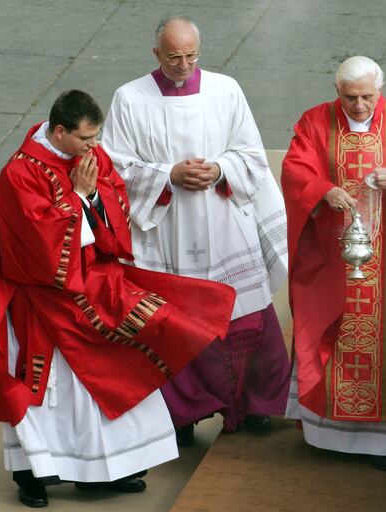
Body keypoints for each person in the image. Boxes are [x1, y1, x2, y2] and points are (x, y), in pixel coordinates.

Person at [0, 89, 236, 508]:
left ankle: (99, 472)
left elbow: (116, 201)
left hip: (96, 282)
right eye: (86, 138)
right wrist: (80, 197)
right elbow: (34, 244)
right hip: (44, 298)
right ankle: (34, 474)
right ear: (60, 131)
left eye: (97, 137)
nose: (95, 147)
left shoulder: (90, 157)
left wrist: (94, 196)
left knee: (122, 359)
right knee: (49, 390)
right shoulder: (20, 173)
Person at [102, 16, 290, 442]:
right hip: (167, 229)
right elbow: (115, 169)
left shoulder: (226, 90)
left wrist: (221, 168)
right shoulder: (130, 99)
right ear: (156, 54)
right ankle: (182, 415)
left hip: (223, 219)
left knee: (242, 314)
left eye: (191, 55)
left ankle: (254, 405)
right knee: (173, 323)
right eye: (174, 57)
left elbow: (251, 156)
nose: (185, 64)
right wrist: (168, 176)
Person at [281, 56, 386, 471]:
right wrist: (323, 191)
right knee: (333, 336)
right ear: (336, 91)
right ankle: (329, 435)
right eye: (350, 98)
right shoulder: (315, 122)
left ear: (381, 89)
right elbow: (294, 171)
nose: (359, 106)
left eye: (367, 97)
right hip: (333, 259)